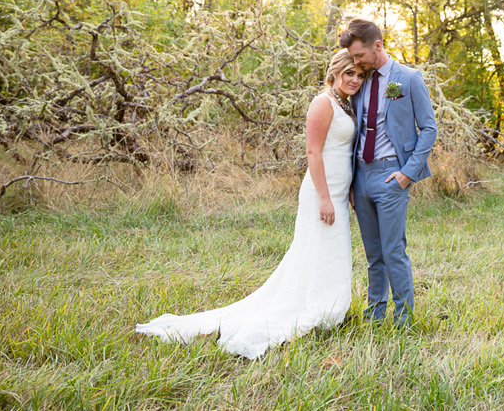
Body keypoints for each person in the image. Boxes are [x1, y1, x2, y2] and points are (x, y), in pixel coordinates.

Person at [135, 50, 364, 359]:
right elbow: (313, 153)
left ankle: (325, 305)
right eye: (349, 73)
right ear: (334, 73)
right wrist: (324, 197)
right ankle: (313, 307)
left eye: (360, 75)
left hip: (338, 190)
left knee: (329, 249)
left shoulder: (344, 106)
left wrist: (347, 189)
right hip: (321, 192)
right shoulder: (322, 103)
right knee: (316, 247)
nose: (355, 79)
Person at [339, 18, 436, 325]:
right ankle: (374, 314)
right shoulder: (360, 80)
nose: (355, 62)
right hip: (362, 177)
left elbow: (429, 128)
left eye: (359, 55)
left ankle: (403, 318)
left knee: (394, 251)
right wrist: (353, 182)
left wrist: (407, 173)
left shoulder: (406, 78)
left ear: (377, 46)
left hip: (392, 176)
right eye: (352, 58)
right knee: (373, 254)